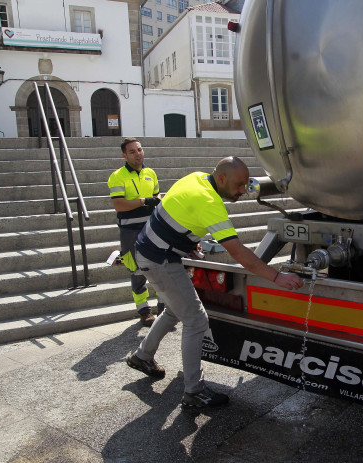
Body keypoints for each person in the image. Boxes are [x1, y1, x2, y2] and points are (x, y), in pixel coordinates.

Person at [126, 156, 304, 408]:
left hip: (151, 251)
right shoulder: (210, 203)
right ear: (221, 179)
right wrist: (277, 277)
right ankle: (193, 391)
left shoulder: (196, 178)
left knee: (175, 311)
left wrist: (188, 238)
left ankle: (142, 356)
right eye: (239, 185)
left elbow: (173, 206)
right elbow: (239, 253)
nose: (244, 191)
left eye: (245, 184)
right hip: (160, 260)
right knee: (196, 320)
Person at [107, 138, 161, 327]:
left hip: (152, 228)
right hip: (130, 231)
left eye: (139, 149)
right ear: (124, 155)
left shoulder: (150, 173)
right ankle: (144, 311)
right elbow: (118, 204)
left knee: (159, 267)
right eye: (132, 151)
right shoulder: (117, 176)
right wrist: (143, 201)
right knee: (136, 270)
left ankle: (163, 308)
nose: (137, 153)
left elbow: (156, 196)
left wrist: (157, 200)